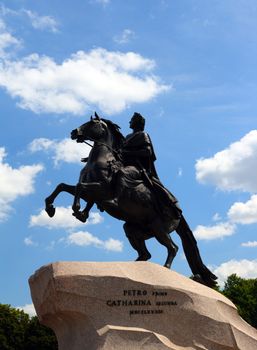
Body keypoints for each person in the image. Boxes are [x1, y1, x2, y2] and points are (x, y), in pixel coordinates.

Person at [118, 112, 182, 219]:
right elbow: (118, 151)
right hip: (124, 165)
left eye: (132, 120)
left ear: (137, 123)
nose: (129, 122)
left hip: (138, 168)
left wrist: (128, 153)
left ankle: (169, 205)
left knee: (154, 186)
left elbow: (147, 152)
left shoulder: (143, 135)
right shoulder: (128, 137)